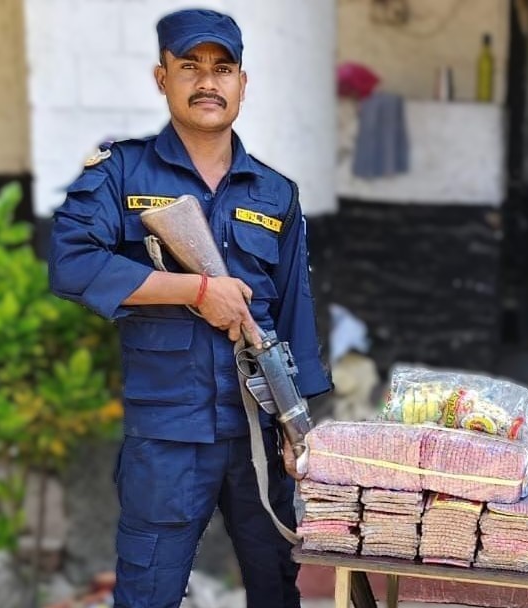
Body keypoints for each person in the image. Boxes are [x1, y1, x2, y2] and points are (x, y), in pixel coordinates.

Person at [48, 9, 330, 607]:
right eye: (190, 67)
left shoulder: (276, 193)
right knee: (148, 592)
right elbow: (71, 264)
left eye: (222, 69)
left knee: (276, 588)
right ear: (162, 77)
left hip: (258, 428)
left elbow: (296, 318)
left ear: (242, 84)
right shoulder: (121, 172)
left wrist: (297, 428)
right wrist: (196, 291)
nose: (208, 82)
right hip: (167, 435)